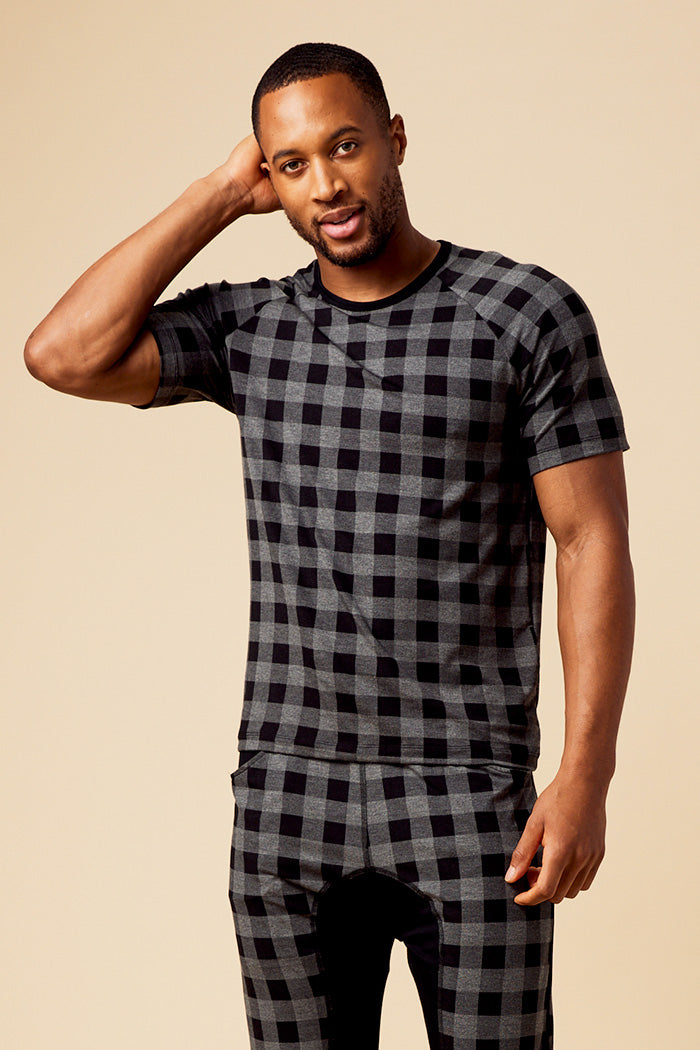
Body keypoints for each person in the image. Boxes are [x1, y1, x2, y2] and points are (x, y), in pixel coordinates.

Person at [24, 40, 635, 1050]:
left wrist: (586, 776)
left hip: (467, 793)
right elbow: (63, 353)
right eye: (291, 164)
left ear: (395, 139)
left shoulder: (522, 313)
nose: (326, 185)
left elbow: (590, 541)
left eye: (345, 146)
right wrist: (220, 194)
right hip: (288, 795)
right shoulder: (253, 327)